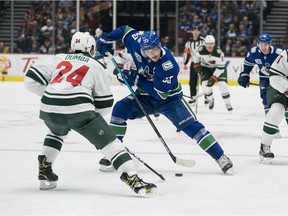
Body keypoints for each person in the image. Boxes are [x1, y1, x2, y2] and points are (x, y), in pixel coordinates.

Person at [23, 31, 157, 197]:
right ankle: (132, 178)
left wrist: (54, 94)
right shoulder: (96, 65)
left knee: (56, 131)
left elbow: (29, 80)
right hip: (78, 110)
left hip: (48, 108)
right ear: (91, 47)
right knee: (111, 143)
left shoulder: (59, 58)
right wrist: (90, 117)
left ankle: (45, 169)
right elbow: (105, 103)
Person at [96, 25, 234, 175]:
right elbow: (125, 30)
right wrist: (107, 38)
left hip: (169, 100)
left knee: (194, 129)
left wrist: (135, 79)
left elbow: (160, 95)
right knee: (119, 110)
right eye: (148, 50)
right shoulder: (137, 43)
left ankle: (220, 157)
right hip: (144, 96)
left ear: (159, 45)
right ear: (142, 49)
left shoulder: (168, 64)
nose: (152, 53)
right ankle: (114, 154)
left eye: (154, 49)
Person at [237, 33, 287, 136]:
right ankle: (274, 128)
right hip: (265, 80)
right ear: (258, 44)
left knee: (285, 103)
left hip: (279, 80)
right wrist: (245, 75)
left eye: (266, 44)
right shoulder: (253, 52)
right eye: (261, 44)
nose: (263, 47)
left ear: (270, 44)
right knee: (266, 103)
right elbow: (247, 65)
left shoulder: (278, 53)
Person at [259, 49, 288, 164]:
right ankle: (264, 146)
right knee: (277, 110)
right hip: (279, 87)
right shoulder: (285, 55)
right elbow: (274, 76)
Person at [194, 35, 233, 111]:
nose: (209, 46)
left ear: (214, 44)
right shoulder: (200, 50)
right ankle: (211, 99)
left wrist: (214, 78)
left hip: (219, 69)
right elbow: (196, 56)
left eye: (211, 43)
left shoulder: (219, 53)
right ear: (205, 44)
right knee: (205, 85)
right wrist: (196, 65)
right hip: (206, 68)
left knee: (223, 85)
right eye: (208, 43)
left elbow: (220, 68)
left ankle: (227, 103)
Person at [183, 23, 208, 105]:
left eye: (197, 30)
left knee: (204, 80)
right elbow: (187, 53)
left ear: (199, 32)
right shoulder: (188, 43)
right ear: (192, 32)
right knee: (192, 81)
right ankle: (193, 97)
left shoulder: (203, 41)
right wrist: (185, 63)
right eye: (194, 30)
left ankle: (207, 96)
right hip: (194, 63)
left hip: (203, 63)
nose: (196, 32)